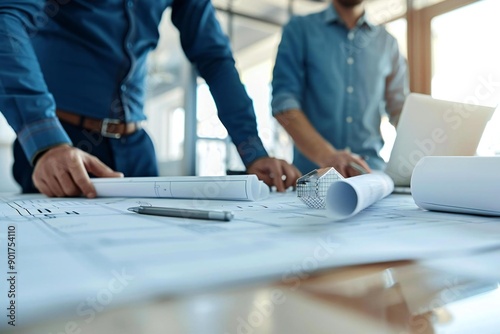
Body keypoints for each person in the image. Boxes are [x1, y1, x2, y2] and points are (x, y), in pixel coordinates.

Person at [0, 0, 301, 198]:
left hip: (138, 150)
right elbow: (6, 21)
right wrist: (47, 140)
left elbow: (214, 58)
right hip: (65, 146)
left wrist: (254, 152)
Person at [271, 0, 409, 177]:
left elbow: (400, 110)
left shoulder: (388, 43)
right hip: (313, 176)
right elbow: (283, 104)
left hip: (371, 175)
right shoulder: (300, 30)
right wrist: (328, 156)